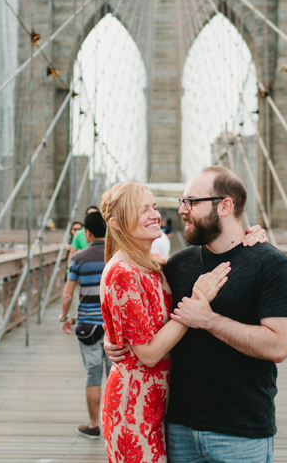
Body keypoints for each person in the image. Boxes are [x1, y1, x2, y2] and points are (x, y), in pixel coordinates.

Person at [107, 166, 287, 462]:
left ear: (225, 205)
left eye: (192, 202)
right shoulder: (175, 265)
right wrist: (114, 339)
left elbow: (278, 346)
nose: (182, 211)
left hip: (241, 433)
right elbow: (136, 307)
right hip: (178, 428)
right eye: (183, 202)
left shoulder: (271, 264)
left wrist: (207, 319)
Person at [99, 183, 232, 463]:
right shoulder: (123, 271)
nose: (155, 215)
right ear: (116, 223)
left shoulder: (151, 263)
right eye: (142, 209)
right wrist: (195, 306)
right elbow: (147, 354)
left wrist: (248, 235)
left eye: (155, 207)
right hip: (133, 407)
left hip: (157, 404)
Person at [60, 211, 110, 439]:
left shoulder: (77, 258)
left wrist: (64, 317)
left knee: (93, 375)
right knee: (114, 376)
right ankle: (114, 425)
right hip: (112, 327)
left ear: (87, 233)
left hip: (87, 325)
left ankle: (93, 425)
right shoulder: (116, 255)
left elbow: (68, 295)